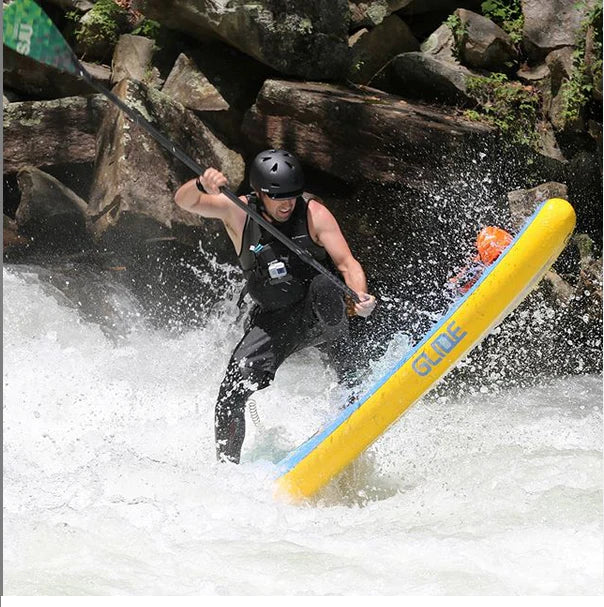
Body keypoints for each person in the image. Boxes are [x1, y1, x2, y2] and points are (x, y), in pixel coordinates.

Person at [174, 149, 376, 463]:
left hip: (317, 311)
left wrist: (359, 297)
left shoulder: (314, 214)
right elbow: (186, 202)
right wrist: (201, 183)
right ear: (258, 193)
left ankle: (352, 386)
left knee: (326, 285)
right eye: (277, 197)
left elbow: (348, 264)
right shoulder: (238, 211)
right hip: (273, 319)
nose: (286, 204)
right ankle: (227, 467)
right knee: (231, 391)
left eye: (292, 196)